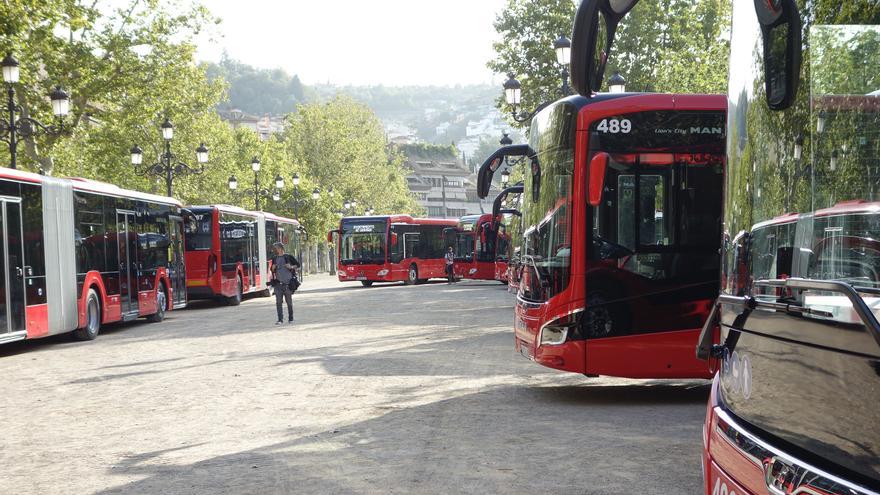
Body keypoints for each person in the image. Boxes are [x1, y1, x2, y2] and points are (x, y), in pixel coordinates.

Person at [270, 242, 301, 325]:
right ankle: (280, 319)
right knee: (278, 302)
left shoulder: (288, 257)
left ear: (280, 248)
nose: (275, 250)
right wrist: (273, 268)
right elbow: (272, 270)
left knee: (289, 302)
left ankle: (291, 318)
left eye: (276, 248)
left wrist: (291, 267)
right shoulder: (274, 258)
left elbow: (298, 265)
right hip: (278, 284)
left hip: (288, 284)